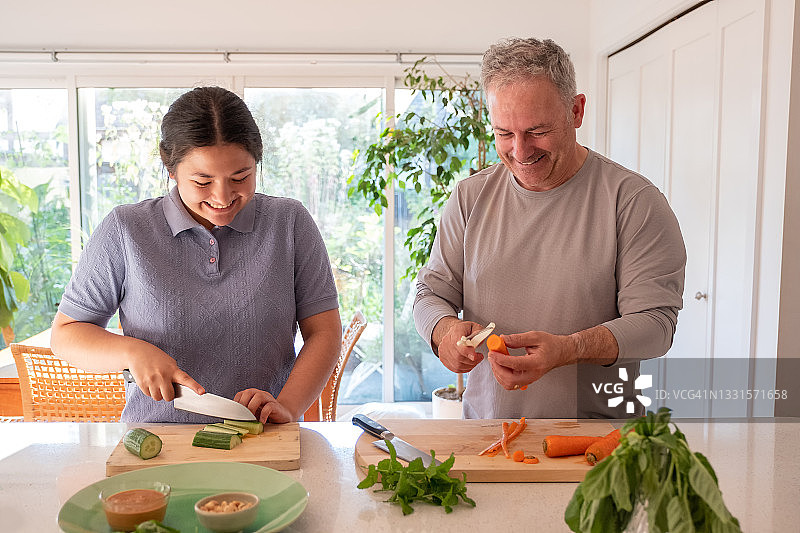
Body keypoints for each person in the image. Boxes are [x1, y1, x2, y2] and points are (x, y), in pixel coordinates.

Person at [413, 38, 686, 419]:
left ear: (576, 110)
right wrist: (443, 332)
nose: (521, 152)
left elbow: (657, 326)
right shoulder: (469, 198)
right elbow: (430, 293)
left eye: (537, 130)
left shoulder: (633, 201)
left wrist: (570, 349)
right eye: (504, 133)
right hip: (490, 437)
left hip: (601, 445)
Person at [50, 86, 342, 424]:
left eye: (241, 177)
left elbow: (324, 332)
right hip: (158, 443)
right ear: (170, 169)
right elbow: (67, 334)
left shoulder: (290, 223)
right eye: (203, 181)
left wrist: (288, 407)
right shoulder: (126, 229)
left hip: (265, 438)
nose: (223, 196)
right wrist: (131, 351)